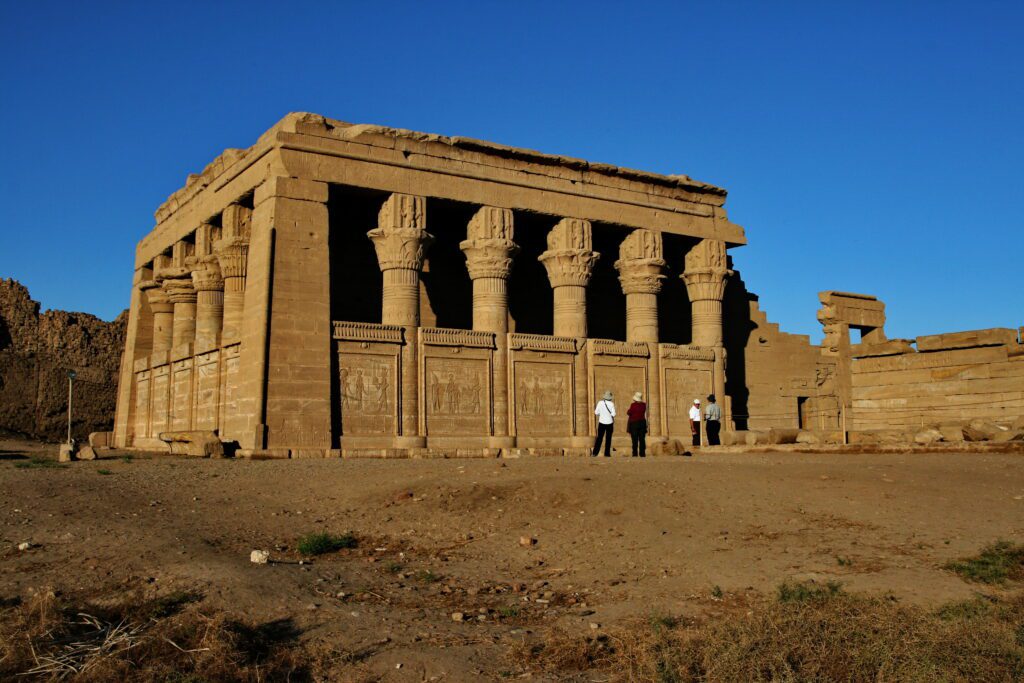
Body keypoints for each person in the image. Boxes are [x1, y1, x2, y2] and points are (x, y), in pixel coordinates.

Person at [592, 390, 616, 457]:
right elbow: (614, 414)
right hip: (609, 423)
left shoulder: (600, 403)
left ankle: (595, 453)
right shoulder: (612, 404)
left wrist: (602, 414)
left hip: (601, 422)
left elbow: (596, 412)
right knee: (608, 438)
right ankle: (607, 453)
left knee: (599, 438)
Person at [626, 391, 647, 457]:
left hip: (634, 423)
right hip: (642, 423)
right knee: (642, 439)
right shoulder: (644, 405)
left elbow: (629, 412)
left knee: (634, 440)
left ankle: (635, 453)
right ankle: (642, 453)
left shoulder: (633, 405)